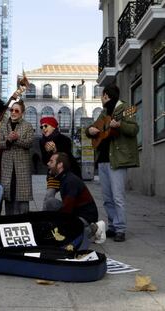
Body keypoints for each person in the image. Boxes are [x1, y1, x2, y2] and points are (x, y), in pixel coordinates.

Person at [85, 84, 139, 242]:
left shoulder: (126, 109)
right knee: (107, 197)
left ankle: (121, 228)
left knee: (118, 196)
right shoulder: (104, 112)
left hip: (117, 159)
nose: (101, 99)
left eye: (102, 96)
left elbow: (134, 129)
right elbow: (92, 128)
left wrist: (120, 125)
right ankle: (112, 226)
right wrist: (91, 131)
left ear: (106, 95)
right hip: (102, 159)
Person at [45, 152, 106, 244]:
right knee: (50, 202)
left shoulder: (70, 181)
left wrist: (58, 229)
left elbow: (67, 208)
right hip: (75, 212)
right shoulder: (63, 177)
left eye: (51, 161)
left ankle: (95, 228)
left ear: (60, 165)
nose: (48, 163)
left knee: (67, 237)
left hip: (86, 216)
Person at [0, 100, 34, 215]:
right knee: (8, 194)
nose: (13, 112)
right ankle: (9, 222)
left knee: (22, 196)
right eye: (11, 110)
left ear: (22, 113)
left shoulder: (27, 125)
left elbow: (29, 143)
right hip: (7, 165)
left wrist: (17, 138)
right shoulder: (4, 125)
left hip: (22, 166)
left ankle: (24, 221)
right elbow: (0, 144)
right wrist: (8, 140)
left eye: (16, 111)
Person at [39, 116, 81, 209]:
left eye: (46, 126)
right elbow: (45, 161)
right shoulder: (42, 141)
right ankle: (44, 220)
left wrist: (55, 150)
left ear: (53, 126)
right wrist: (48, 152)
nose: (43, 129)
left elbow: (66, 157)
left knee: (71, 199)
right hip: (54, 174)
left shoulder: (65, 139)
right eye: (41, 127)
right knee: (48, 197)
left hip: (69, 173)